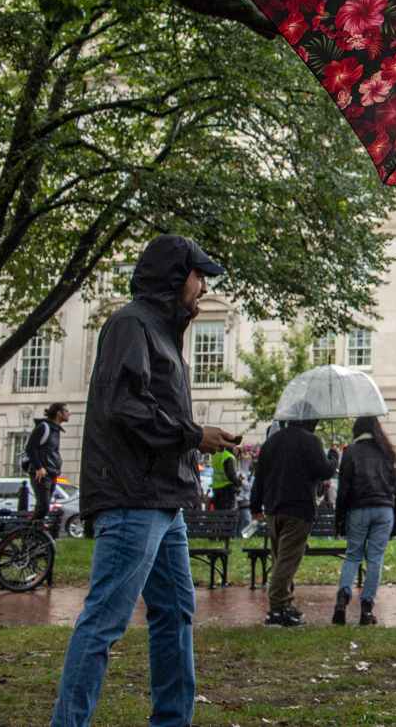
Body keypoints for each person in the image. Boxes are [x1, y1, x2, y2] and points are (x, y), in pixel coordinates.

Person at [50, 235, 239, 727]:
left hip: (163, 499)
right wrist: (195, 435)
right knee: (104, 621)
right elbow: (125, 407)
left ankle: (173, 720)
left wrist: (191, 440)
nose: (202, 287)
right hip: (132, 498)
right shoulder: (131, 325)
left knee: (175, 611)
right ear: (176, 278)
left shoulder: (160, 330)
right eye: (198, 276)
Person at [250, 419, 337, 626]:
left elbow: (259, 476)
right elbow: (324, 471)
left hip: (273, 509)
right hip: (298, 509)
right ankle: (277, 608)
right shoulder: (310, 441)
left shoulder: (271, 442)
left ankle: (285, 606)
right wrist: (334, 457)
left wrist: (255, 507)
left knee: (280, 557)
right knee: (287, 562)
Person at [332, 416, 396, 626]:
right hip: (384, 510)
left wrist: (339, 518)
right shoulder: (388, 452)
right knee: (375, 559)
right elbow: (395, 488)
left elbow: (343, 489)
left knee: (353, 555)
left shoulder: (350, 452)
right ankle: (367, 608)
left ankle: (342, 599)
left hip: (358, 509)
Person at [25, 402, 69, 523]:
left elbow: (51, 452)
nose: (69, 413)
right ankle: (27, 534)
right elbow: (30, 448)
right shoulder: (44, 427)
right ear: (59, 413)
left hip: (52, 474)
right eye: (66, 411)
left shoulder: (55, 430)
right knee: (43, 507)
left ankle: (34, 536)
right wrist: (39, 467)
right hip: (41, 474)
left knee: (43, 507)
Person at [210, 442, 243, 513]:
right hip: (227, 490)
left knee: (219, 513)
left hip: (216, 488)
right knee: (228, 514)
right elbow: (231, 475)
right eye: (236, 448)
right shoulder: (228, 457)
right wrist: (239, 482)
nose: (237, 451)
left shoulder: (216, 454)